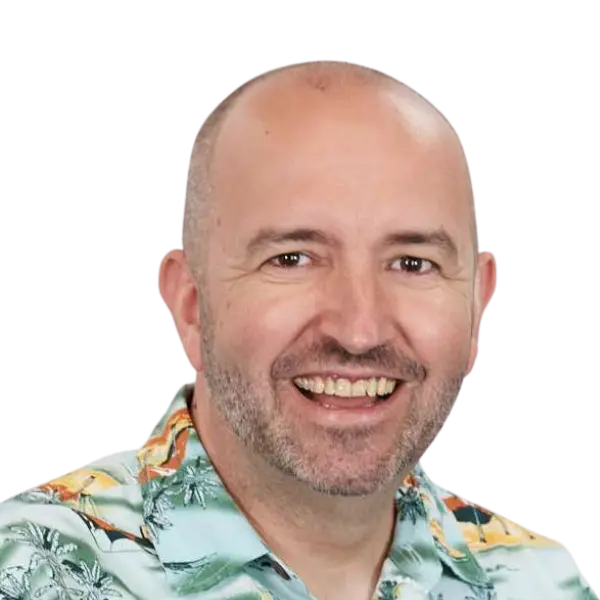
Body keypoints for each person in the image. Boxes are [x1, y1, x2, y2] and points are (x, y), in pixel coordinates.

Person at [0, 60, 595, 600]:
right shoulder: (31, 573)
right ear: (190, 304)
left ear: (477, 304)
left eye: (413, 263)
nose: (360, 330)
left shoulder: (546, 583)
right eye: (292, 259)